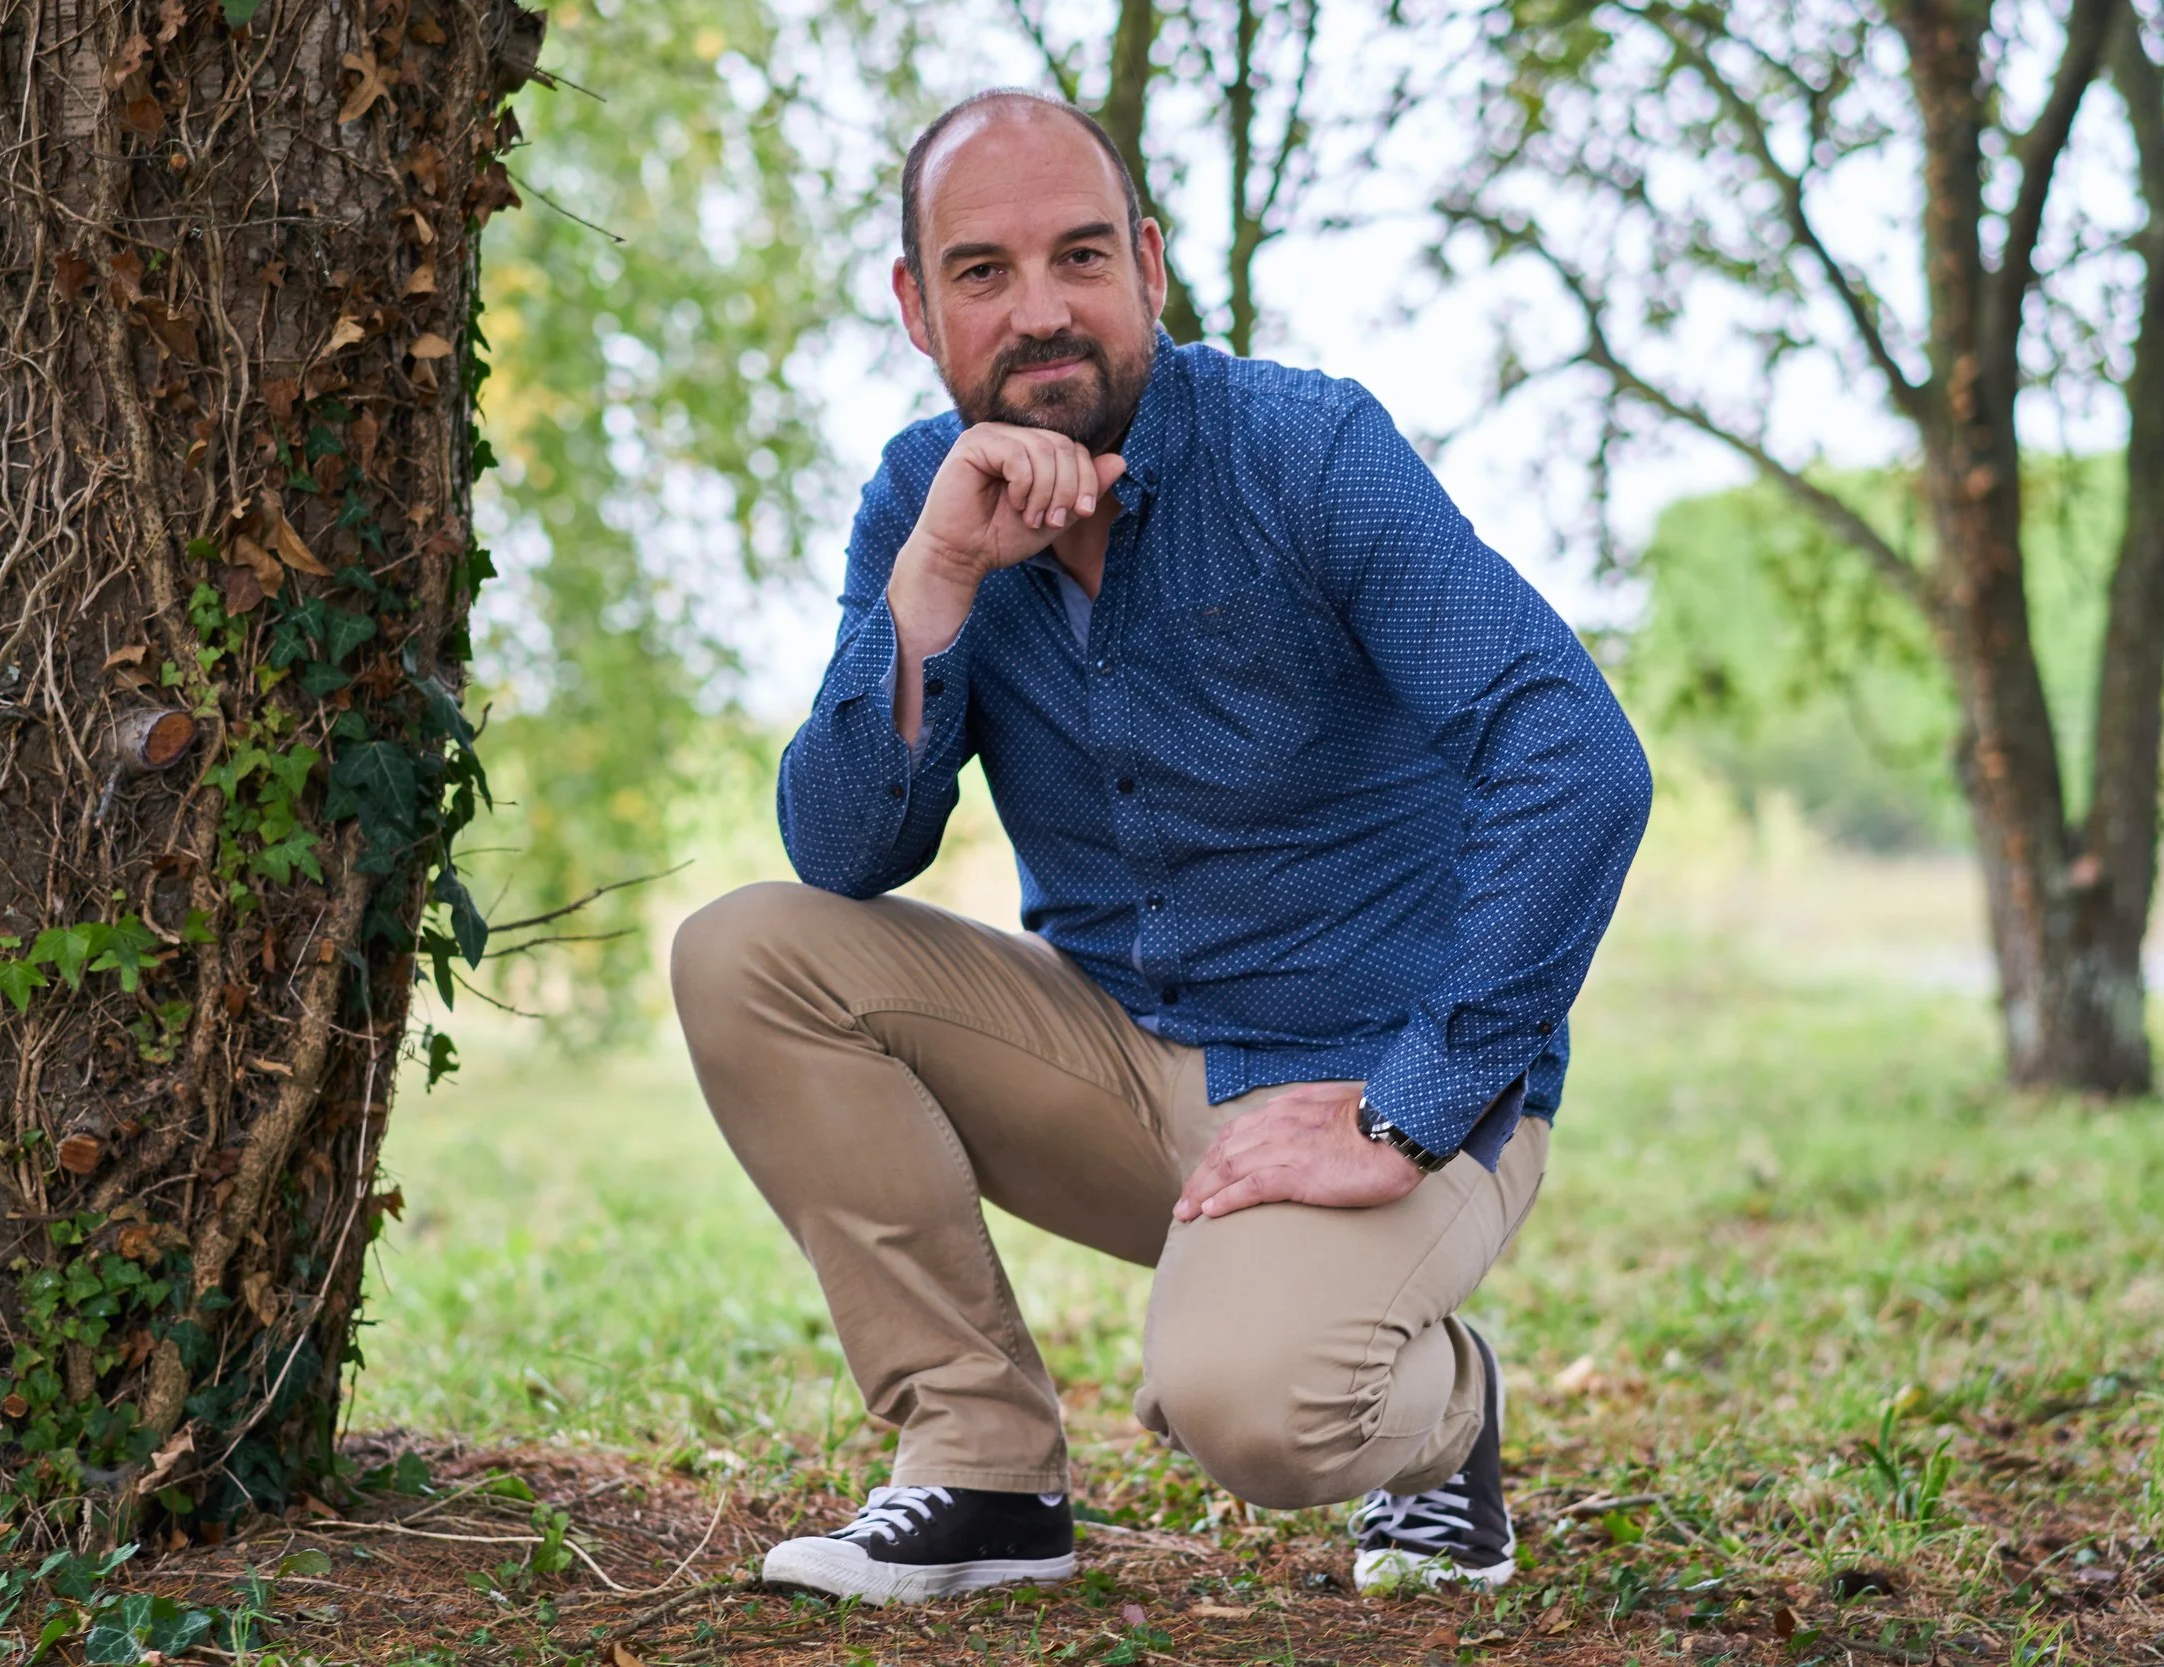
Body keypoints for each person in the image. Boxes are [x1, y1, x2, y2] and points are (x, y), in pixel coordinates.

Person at [670, 87, 1651, 1606]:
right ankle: (984, 1467)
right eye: (984, 272)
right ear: (918, 309)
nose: (1041, 311)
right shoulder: (924, 500)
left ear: (1147, 264)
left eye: (1080, 256)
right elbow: (845, 848)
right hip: (1122, 1057)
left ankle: (1446, 1412)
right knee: (749, 951)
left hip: (1374, 1083)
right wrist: (934, 581)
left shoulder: (1306, 451)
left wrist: (1409, 1105)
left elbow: (1573, 754)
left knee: (1254, 1406)